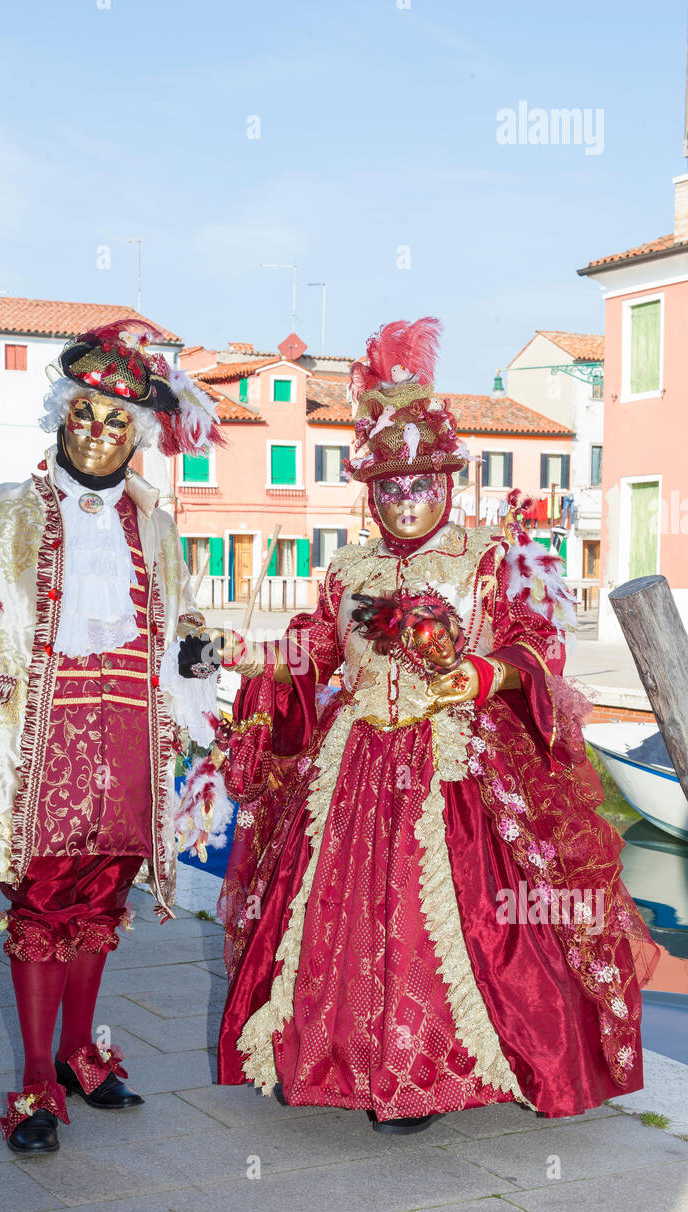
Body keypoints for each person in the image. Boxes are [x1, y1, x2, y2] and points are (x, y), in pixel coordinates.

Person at [216, 318, 658, 1133]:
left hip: (454, 766)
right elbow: (318, 650)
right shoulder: (350, 568)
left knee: (455, 918)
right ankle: (336, 1058)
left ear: (447, 482)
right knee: (335, 917)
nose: (405, 500)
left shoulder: (490, 557)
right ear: (369, 491)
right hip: (354, 766)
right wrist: (244, 654)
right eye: (388, 487)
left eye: (419, 483)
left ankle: (428, 1069)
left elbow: (535, 646)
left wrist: (474, 674)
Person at [0, 319, 222, 1153]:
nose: (96, 431)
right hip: (40, 736)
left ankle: (84, 1053)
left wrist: (197, 648)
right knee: (42, 904)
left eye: (116, 419)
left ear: (141, 434)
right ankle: (35, 1084)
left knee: (103, 900)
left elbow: (177, 610)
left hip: (126, 732)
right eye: (83, 413)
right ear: (61, 414)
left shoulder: (156, 524)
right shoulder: (11, 510)